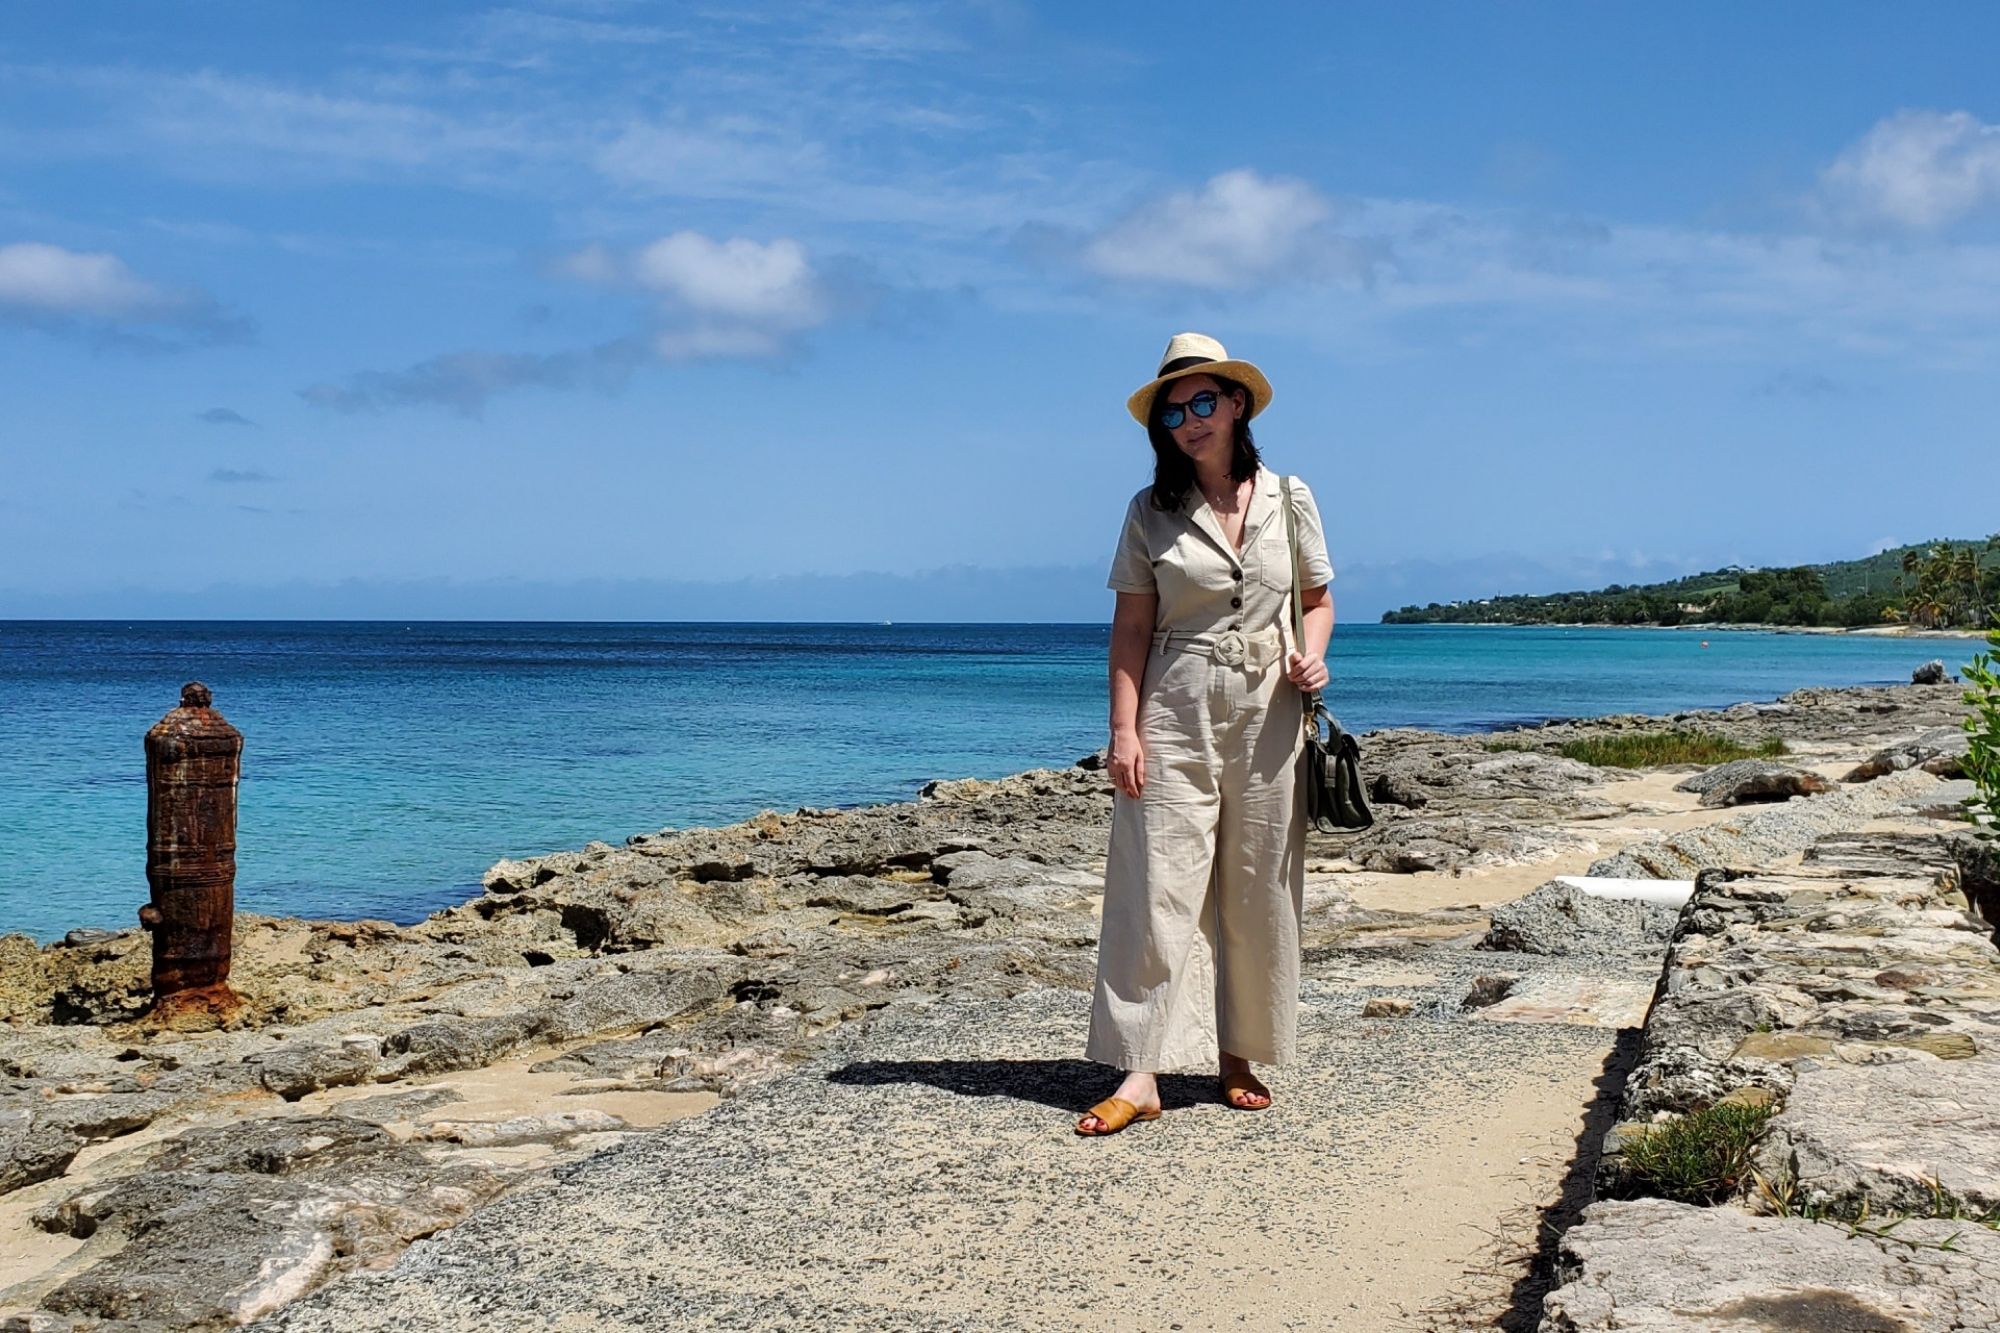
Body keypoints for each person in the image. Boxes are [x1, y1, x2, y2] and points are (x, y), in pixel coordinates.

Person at [1076, 332, 1334, 1136]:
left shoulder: (1290, 498)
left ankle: (1238, 1054)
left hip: (1270, 705)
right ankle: (1142, 1069)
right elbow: (1129, 628)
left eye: (1202, 401)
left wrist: (1313, 658)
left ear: (1235, 403)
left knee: (1257, 884)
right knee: (1157, 886)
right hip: (1175, 700)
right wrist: (1124, 728)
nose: (1188, 419)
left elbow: (1319, 598)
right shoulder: (1149, 511)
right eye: (1172, 411)